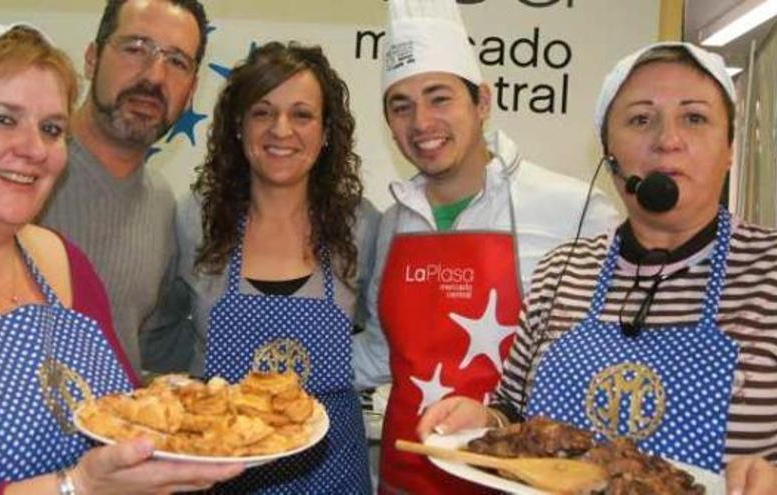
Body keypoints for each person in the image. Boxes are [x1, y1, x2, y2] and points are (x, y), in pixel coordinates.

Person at [0, 22, 242, 494]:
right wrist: (73, 487)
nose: (34, 149)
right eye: (2, 118)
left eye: (52, 128)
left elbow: (120, 417)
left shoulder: (63, 262)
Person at [418, 42, 777, 495]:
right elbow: (513, 408)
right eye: (641, 119)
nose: (668, 139)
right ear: (608, 153)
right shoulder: (560, 273)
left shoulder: (769, 273)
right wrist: (485, 420)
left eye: (694, 118)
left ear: (729, 148)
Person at [350, 0, 620, 493]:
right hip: (404, 474)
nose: (421, 122)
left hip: (516, 480)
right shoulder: (391, 221)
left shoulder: (575, 210)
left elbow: (601, 365)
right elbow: (380, 352)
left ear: (482, 102)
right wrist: (283, 372)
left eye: (440, 98)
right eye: (401, 105)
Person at [167, 41, 380, 493]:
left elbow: (387, 338)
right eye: (262, 112)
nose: (281, 129)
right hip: (221, 464)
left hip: (333, 467)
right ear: (238, 128)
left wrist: (329, 369)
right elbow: (166, 330)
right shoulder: (196, 218)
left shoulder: (361, 225)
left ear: (325, 133)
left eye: (302, 114)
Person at [38, 0, 208, 375]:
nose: (155, 76)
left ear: (192, 88)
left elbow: (154, 345)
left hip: (115, 431)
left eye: (177, 62)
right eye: (135, 48)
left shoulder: (163, 205)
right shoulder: (19, 169)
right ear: (91, 58)